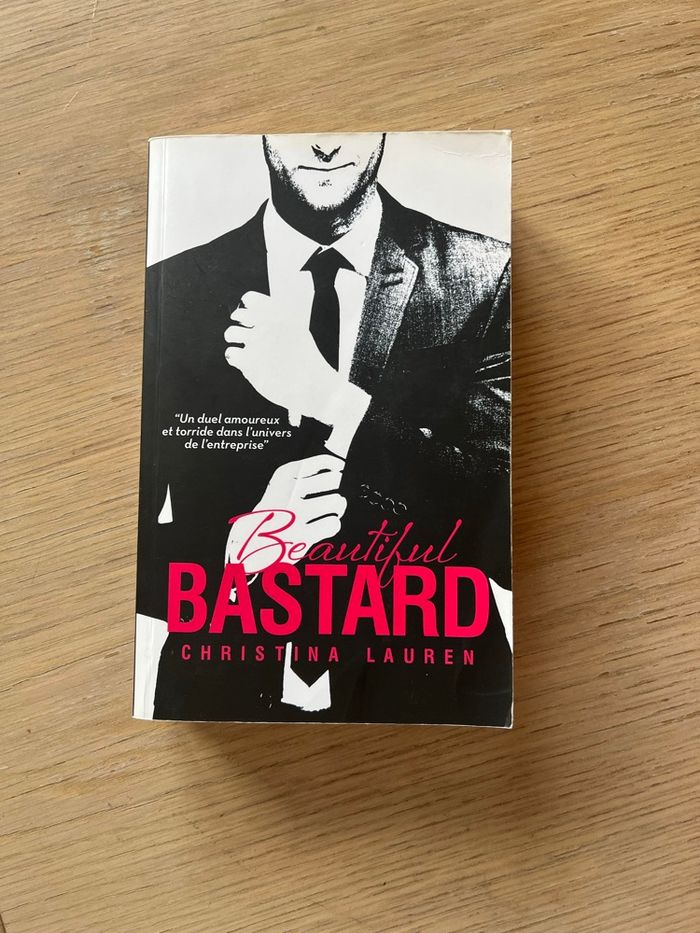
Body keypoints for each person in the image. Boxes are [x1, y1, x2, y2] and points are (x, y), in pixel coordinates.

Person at [137, 133, 512, 725]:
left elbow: (502, 536)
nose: (324, 146)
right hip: (221, 691)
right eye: (298, 128)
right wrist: (235, 550)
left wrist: (332, 399)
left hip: (436, 688)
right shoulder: (172, 288)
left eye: (349, 129)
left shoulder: (485, 274)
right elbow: (116, 546)